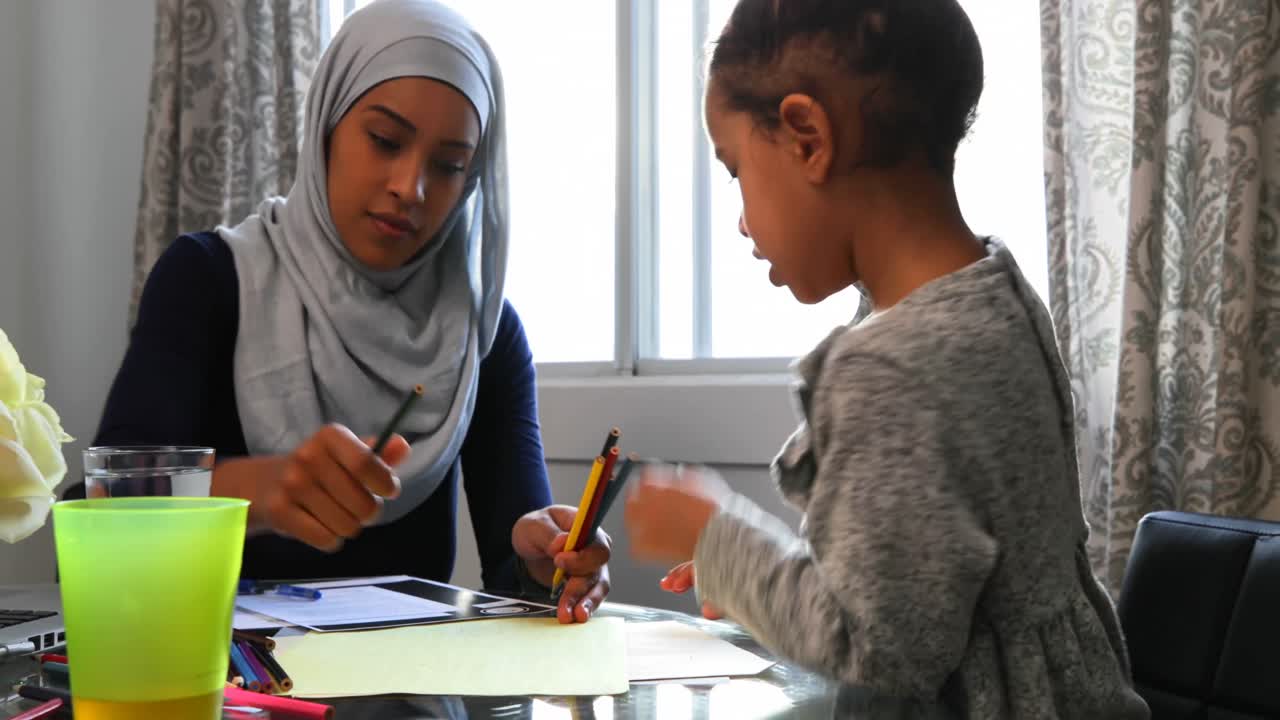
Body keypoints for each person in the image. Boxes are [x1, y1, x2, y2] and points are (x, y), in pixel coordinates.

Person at [623, 0, 1150, 715]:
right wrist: (752, 578)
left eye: (736, 169)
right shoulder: (999, 298)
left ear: (808, 137)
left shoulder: (891, 366)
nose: (742, 222)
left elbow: (877, 642)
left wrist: (713, 537)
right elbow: (921, 575)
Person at [69, 0, 608, 624]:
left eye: (450, 166)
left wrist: (551, 566)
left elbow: (517, 576)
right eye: (385, 141)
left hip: (411, 678)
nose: (411, 187)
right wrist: (260, 492)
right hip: (220, 673)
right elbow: (98, 524)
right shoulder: (208, 280)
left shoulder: (481, 332)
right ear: (326, 125)